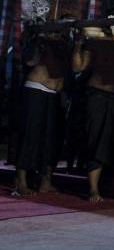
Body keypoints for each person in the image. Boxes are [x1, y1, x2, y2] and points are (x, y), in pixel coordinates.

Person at [73, 26, 114, 202]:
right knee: (96, 139)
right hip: (97, 95)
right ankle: (93, 189)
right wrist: (78, 45)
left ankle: (112, 186)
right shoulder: (96, 42)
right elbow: (78, 67)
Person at [14, 35, 69, 196]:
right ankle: (21, 181)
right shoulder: (41, 40)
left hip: (55, 94)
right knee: (29, 136)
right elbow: (30, 61)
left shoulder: (66, 43)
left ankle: (46, 181)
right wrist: (38, 42)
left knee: (51, 139)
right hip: (36, 90)